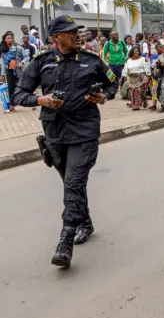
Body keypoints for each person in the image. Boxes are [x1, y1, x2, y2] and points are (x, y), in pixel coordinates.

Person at [13, 15, 118, 268]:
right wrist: (41, 100)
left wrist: (103, 96)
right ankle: (86, 222)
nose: (77, 36)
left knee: (73, 182)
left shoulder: (92, 60)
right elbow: (18, 94)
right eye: (71, 33)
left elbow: (113, 83)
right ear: (56, 38)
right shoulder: (41, 63)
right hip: (55, 133)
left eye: (77, 32)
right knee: (71, 183)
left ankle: (65, 241)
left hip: (85, 131)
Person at [0, 31, 26, 113]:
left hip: (18, 70)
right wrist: (2, 74)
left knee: (22, 86)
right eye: (8, 38)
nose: (10, 39)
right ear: (4, 39)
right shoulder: (3, 50)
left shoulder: (18, 48)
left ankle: (26, 101)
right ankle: (12, 105)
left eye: (11, 38)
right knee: (11, 88)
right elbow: (2, 63)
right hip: (9, 71)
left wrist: (22, 62)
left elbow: (26, 56)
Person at [121, 44, 151, 110]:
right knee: (133, 90)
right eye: (135, 51)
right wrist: (124, 76)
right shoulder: (128, 60)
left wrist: (148, 76)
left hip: (140, 77)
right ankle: (141, 100)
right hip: (131, 78)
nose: (136, 52)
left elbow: (147, 68)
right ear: (132, 52)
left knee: (136, 90)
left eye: (137, 51)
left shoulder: (143, 59)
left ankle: (137, 105)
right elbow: (126, 69)